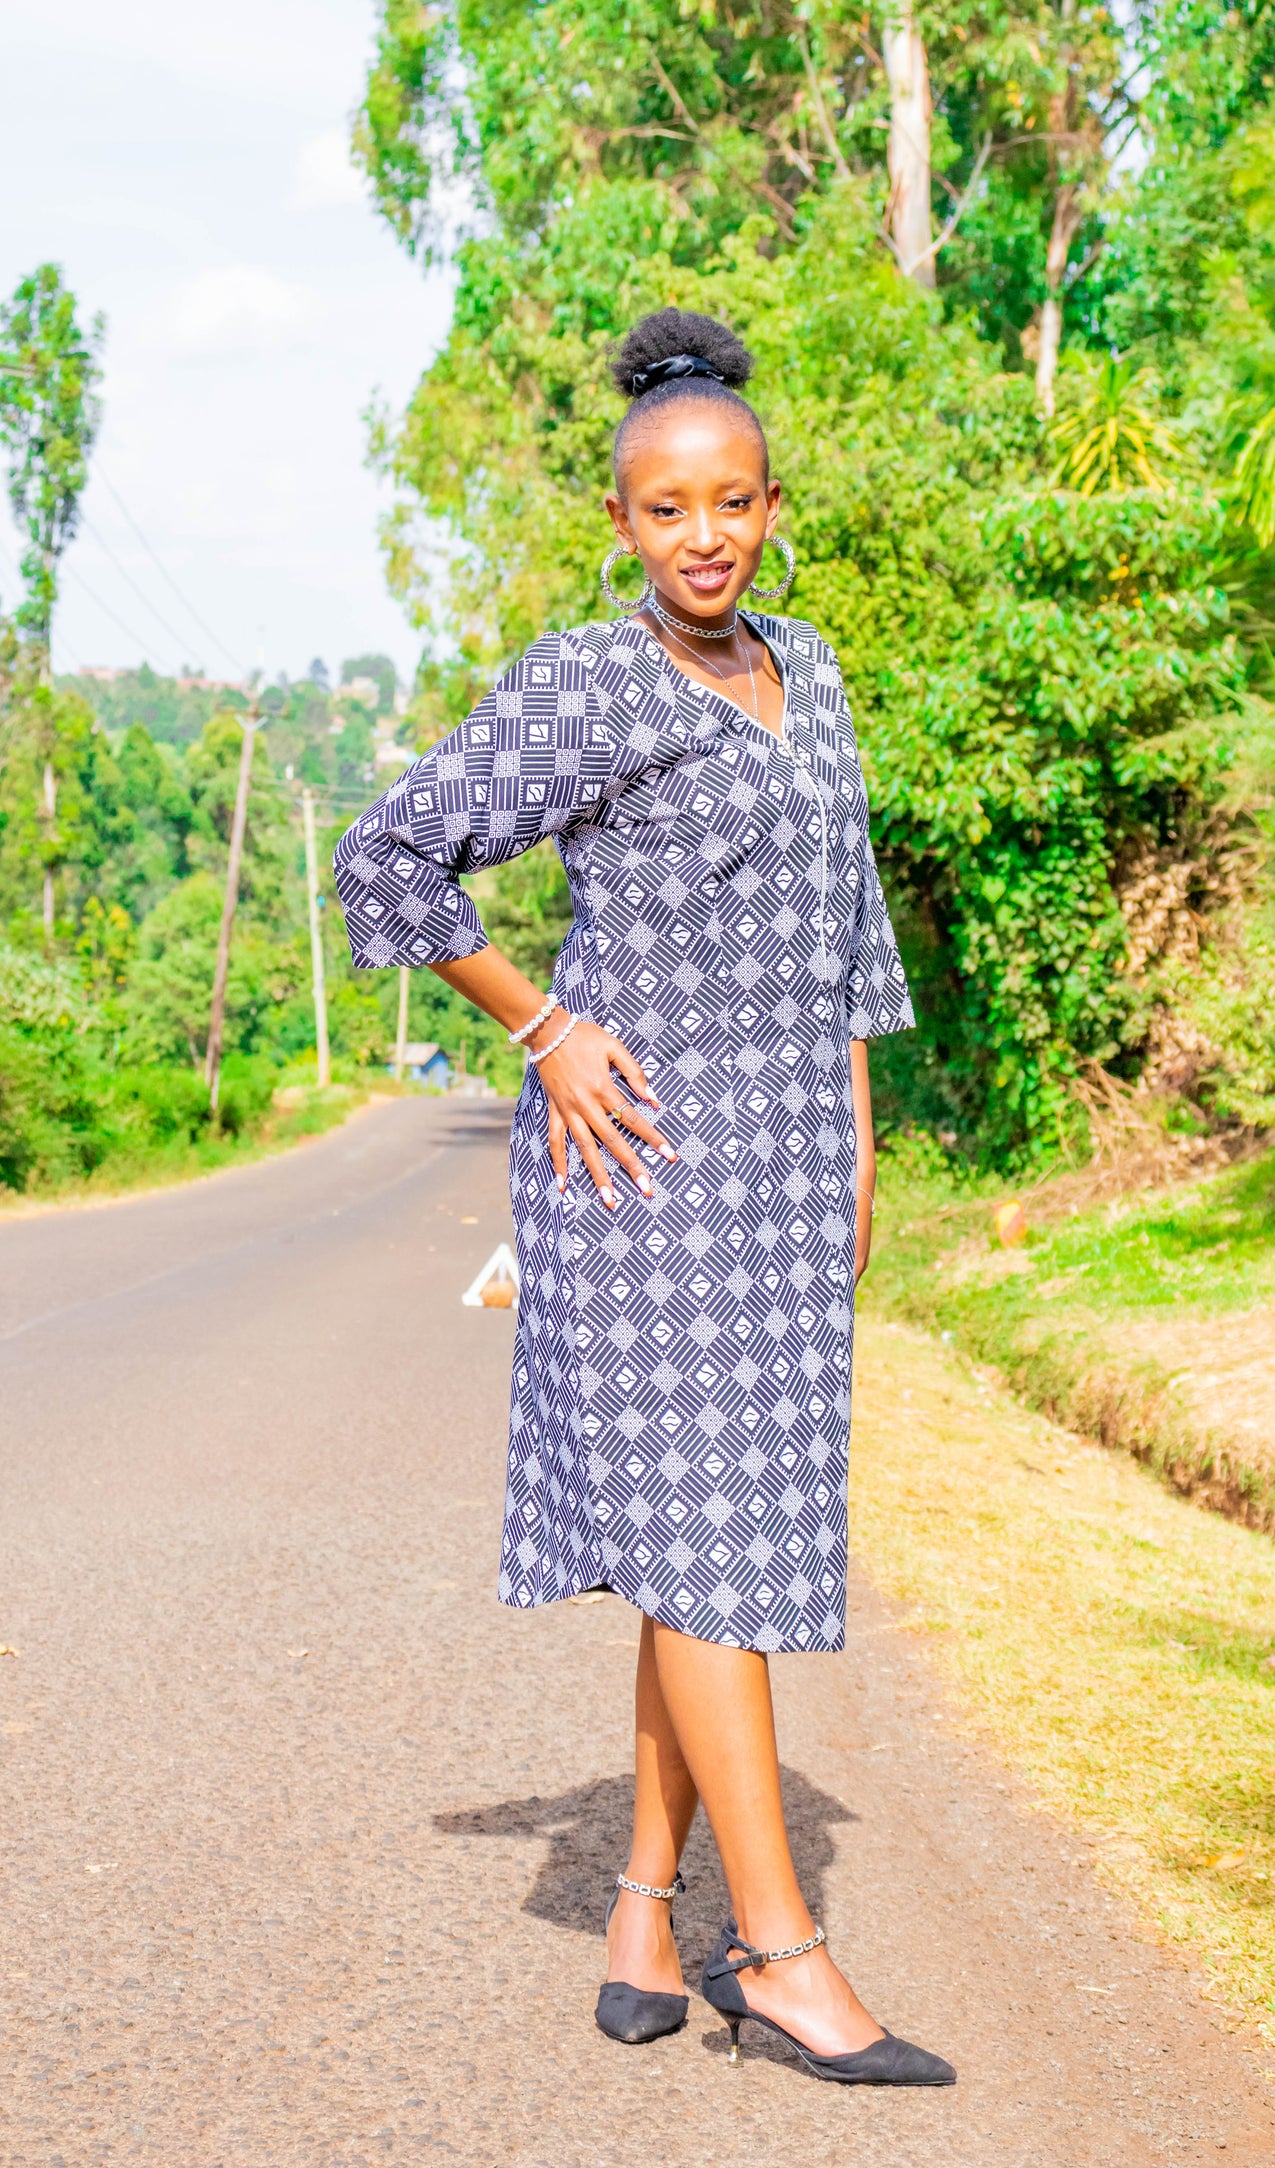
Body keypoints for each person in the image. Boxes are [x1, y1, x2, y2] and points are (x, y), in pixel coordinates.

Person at [334, 308, 954, 2087]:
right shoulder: (586, 685)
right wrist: (542, 1028)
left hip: (781, 1166)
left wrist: (850, 1151)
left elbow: (847, 940)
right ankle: (778, 1955)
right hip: (640, 1162)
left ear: (769, 509)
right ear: (624, 523)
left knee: (725, 1537)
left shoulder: (812, 668)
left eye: (733, 502)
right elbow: (390, 853)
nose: (703, 534)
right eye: (667, 508)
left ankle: (638, 1900)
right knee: (702, 1547)